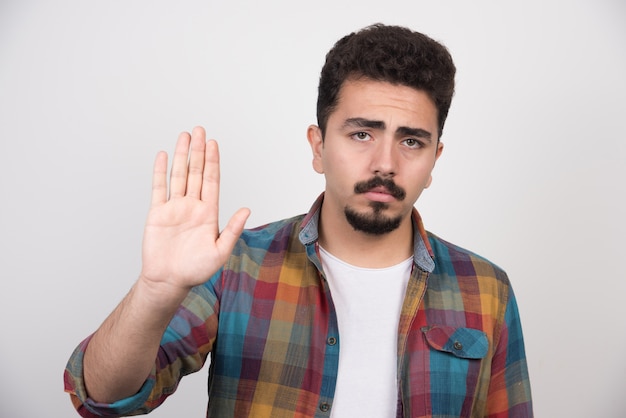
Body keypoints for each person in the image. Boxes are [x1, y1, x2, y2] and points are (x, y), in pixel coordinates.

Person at [64, 23, 533, 417]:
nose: (385, 162)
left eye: (411, 141)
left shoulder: (486, 289)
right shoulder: (235, 267)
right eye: (362, 133)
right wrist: (156, 291)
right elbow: (101, 397)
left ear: (434, 159)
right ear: (318, 146)